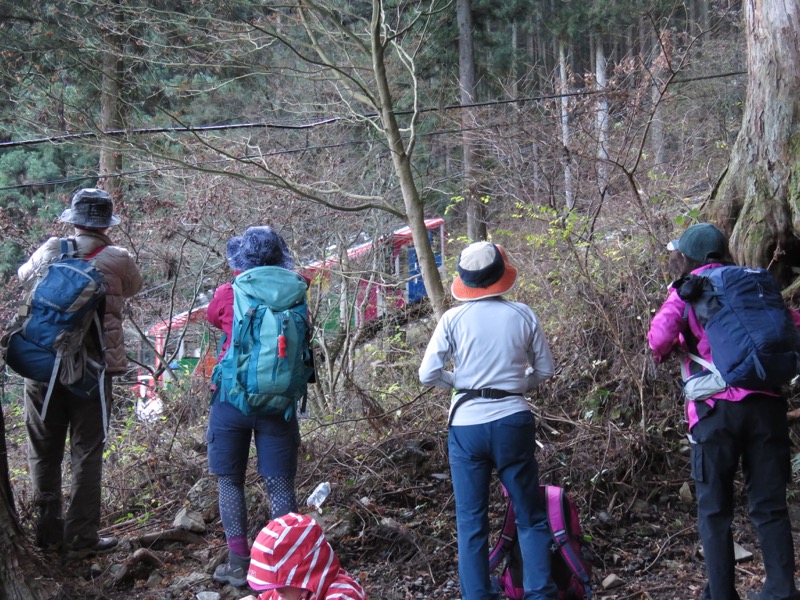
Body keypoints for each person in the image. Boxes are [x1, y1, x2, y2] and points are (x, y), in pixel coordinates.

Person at [648, 223, 800, 600]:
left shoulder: (689, 289)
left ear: (686, 257)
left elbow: (658, 339)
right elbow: (791, 326)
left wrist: (679, 342)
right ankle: (782, 590)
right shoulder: (756, 284)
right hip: (767, 406)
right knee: (769, 505)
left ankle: (721, 593)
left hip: (715, 411)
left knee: (715, 509)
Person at [418, 241, 557, 600]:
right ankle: (540, 593)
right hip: (513, 420)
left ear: (466, 280)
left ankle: (478, 595)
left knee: (471, 521)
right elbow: (545, 369)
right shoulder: (523, 314)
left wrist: (459, 384)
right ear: (500, 276)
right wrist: (515, 386)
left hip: (466, 426)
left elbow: (427, 374)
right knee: (530, 513)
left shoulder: (452, 319)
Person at [17, 188, 143, 557]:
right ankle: (81, 539)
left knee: (43, 450)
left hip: (42, 365)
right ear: (107, 224)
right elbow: (133, 288)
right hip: (92, 369)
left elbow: (24, 276)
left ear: (73, 219)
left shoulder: (53, 247)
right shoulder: (118, 258)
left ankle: (47, 536)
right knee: (86, 452)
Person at [206, 226, 303, 587]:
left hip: (231, 400)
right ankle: (284, 565)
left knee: (230, 481)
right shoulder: (296, 290)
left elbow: (214, 318)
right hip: (279, 403)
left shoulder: (228, 292)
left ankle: (238, 563)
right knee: (280, 484)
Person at [247, 512, 367, 599]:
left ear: (304, 574)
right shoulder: (286, 594)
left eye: (281, 584)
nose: (278, 590)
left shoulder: (342, 594)